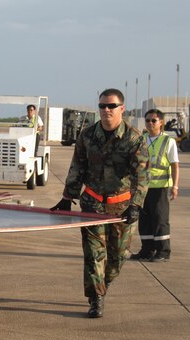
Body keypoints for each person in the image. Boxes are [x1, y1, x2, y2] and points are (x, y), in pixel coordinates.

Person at [51, 88, 149, 318]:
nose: (106, 110)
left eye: (111, 106)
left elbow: (142, 175)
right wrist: (68, 197)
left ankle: (102, 285)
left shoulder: (134, 138)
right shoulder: (87, 136)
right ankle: (96, 298)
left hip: (122, 207)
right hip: (93, 204)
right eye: (102, 106)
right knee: (94, 255)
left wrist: (136, 204)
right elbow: (77, 167)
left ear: (122, 109)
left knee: (118, 258)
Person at [130, 109, 179, 262]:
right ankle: (147, 250)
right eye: (148, 120)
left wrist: (175, 186)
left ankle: (163, 252)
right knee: (144, 220)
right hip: (143, 188)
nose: (150, 123)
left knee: (160, 219)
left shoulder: (168, 141)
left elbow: (175, 165)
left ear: (161, 122)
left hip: (160, 187)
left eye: (154, 120)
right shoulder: (141, 139)